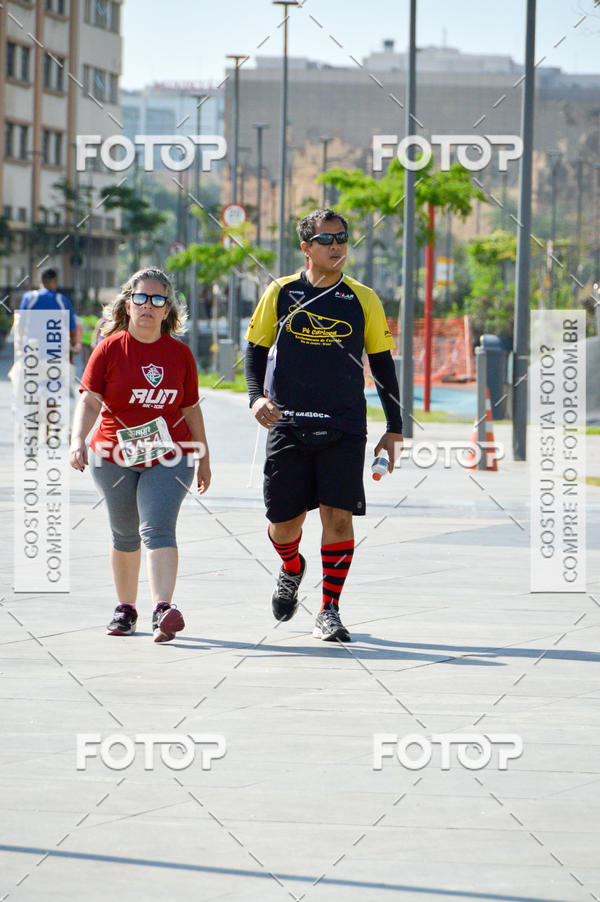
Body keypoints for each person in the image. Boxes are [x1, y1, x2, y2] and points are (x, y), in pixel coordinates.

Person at [245, 208, 403, 643]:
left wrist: (395, 427)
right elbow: (255, 350)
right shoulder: (280, 292)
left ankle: (329, 609)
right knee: (283, 523)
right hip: (289, 423)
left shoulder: (363, 298)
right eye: (327, 239)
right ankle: (292, 568)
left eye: (342, 238)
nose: (337, 246)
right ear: (306, 248)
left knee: (338, 519)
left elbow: (383, 366)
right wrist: (256, 397)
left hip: (345, 425)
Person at [69, 267, 211, 642]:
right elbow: (89, 401)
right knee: (125, 534)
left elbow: (191, 409)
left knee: (158, 528)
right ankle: (126, 608)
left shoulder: (180, 355)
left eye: (158, 299)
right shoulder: (109, 348)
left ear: (168, 310)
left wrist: (204, 458)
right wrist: (76, 440)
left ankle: (162, 608)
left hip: (170, 455)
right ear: (128, 304)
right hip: (113, 456)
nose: (148, 305)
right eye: (141, 298)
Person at [20, 268, 79, 358]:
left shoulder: (29, 298)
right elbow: (72, 329)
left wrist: (20, 346)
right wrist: (73, 343)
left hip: (32, 350)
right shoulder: (62, 300)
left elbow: (21, 325)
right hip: (56, 352)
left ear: (39, 281)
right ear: (55, 281)